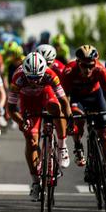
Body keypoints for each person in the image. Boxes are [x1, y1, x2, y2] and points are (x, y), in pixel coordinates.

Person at [7, 52, 72, 201]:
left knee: (56, 108)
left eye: (38, 78)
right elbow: (11, 109)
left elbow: (63, 100)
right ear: (25, 73)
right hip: (28, 101)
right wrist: (21, 121)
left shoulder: (50, 75)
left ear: (44, 72)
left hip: (45, 94)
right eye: (31, 78)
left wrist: (69, 118)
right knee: (31, 140)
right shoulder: (18, 77)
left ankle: (62, 146)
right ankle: (36, 182)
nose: (35, 82)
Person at [61, 45, 106, 198]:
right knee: (76, 119)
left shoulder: (101, 70)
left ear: (95, 63)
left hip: (96, 97)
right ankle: (78, 146)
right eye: (83, 66)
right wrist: (68, 117)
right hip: (76, 99)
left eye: (90, 66)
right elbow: (65, 99)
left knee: (105, 136)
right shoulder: (69, 71)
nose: (87, 70)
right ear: (77, 62)